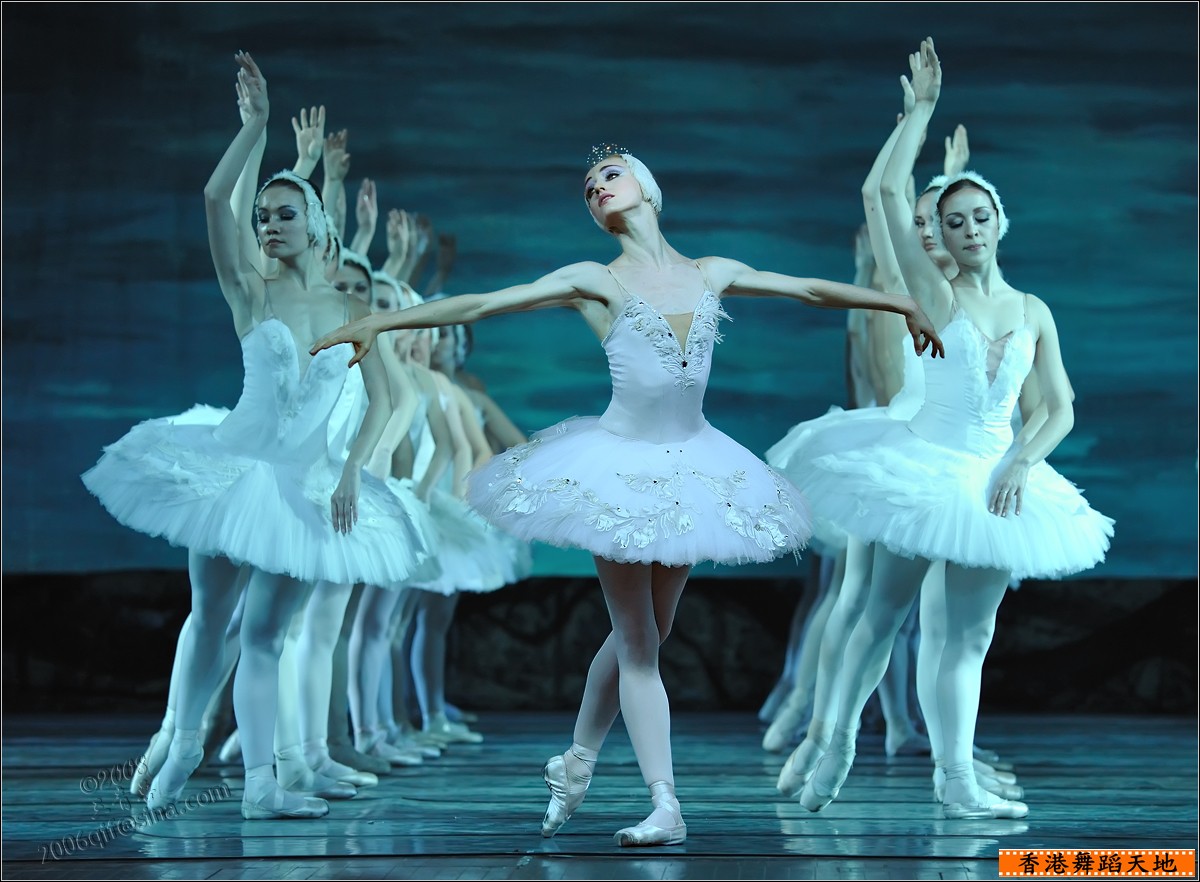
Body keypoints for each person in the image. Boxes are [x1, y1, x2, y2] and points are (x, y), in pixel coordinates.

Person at [309, 142, 944, 845]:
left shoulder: (710, 272)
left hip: (695, 470)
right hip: (614, 471)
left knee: (649, 634)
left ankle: (576, 763)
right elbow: (487, 303)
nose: (598, 188)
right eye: (589, 188)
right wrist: (381, 322)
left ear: (647, 187)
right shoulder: (595, 279)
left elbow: (809, 290)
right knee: (640, 645)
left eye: (609, 175)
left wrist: (900, 302)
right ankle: (665, 803)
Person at [82, 52, 433, 820]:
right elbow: (217, 198)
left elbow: (381, 398)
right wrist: (256, 129)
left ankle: (262, 786)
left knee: (267, 637)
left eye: (284, 214)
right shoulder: (249, 290)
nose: (269, 225)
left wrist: (349, 471)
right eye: (263, 217)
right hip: (232, 471)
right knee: (212, 617)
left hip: (304, 486)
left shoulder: (348, 310)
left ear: (314, 223)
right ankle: (180, 742)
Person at [788, 39, 1113, 820]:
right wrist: (920, 114)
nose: (968, 229)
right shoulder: (934, 295)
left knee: (968, 635)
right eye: (953, 220)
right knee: (880, 614)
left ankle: (955, 776)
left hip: (994, 479)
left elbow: (1058, 405)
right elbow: (883, 191)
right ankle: (835, 742)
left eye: (979, 217)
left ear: (1000, 223)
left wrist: (1023, 461)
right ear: (940, 230)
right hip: (924, 468)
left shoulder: (1032, 310)